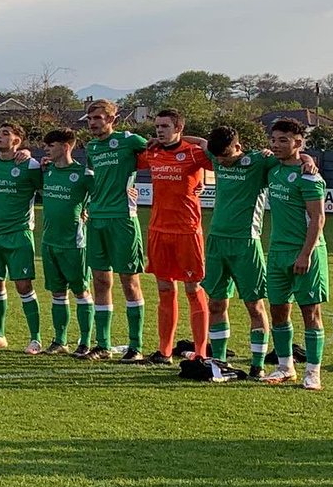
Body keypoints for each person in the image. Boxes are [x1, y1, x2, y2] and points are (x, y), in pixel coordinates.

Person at [203, 125, 284, 380]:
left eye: (226, 156)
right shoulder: (216, 156)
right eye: (217, 158)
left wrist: (307, 160)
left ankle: (257, 365)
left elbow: (288, 157)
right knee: (216, 303)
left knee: (254, 305)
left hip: (246, 243)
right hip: (216, 242)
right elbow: (198, 143)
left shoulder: (260, 161)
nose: (221, 162)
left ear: (238, 147)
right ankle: (219, 362)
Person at [138, 109, 213, 364]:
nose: (159, 131)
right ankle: (164, 352)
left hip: (187, 232)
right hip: (158, 231)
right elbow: (125, 160)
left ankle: (201, 353)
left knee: (193, 288)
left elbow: (221, 158)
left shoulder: (194, 153)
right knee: (164, 289)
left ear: (178, 128)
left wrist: (197, 140)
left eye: (165, 126)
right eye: (157, 126)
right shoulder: (151, 152)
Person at [264, 119, 329, 390]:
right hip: (277, 252)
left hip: (305, 253)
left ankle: (313, 372)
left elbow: (318, 219)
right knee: (278, 310)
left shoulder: (309, 176)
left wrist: (305, 254)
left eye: (283, 140)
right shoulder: (272, 169)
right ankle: (285, 367)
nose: (276, 145)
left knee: (310, 312)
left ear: (298, 142)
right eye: (273, 140)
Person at [82, 99, 148, 362]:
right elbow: (91, 180)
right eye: (90, 119)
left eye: (97, 118)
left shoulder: (129, 141)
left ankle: (136, 346)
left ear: (112, 119)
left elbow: (161, 152)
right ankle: (103, 345)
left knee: (129, 282)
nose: (92, 123)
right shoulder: (91, 147)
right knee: (100, 281)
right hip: (96, 218)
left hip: (122, 219)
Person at [0, 123, 44, 351]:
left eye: (5, 134)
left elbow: (49, 187)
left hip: (19, 234)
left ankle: (35, 339)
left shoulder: (29, 165)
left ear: (17, 140)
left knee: (23, 286)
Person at [39, 128, 94, 356]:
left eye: (51, 145)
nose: (46, 149)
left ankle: (85, 342)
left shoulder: (83, 174)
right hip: (49, 242)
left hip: (74, 244)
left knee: (81, 292)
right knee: (57, 293)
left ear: (66, 146)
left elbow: (101, 196)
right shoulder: (47, 171)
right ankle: (60, 341)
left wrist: (88, 210)